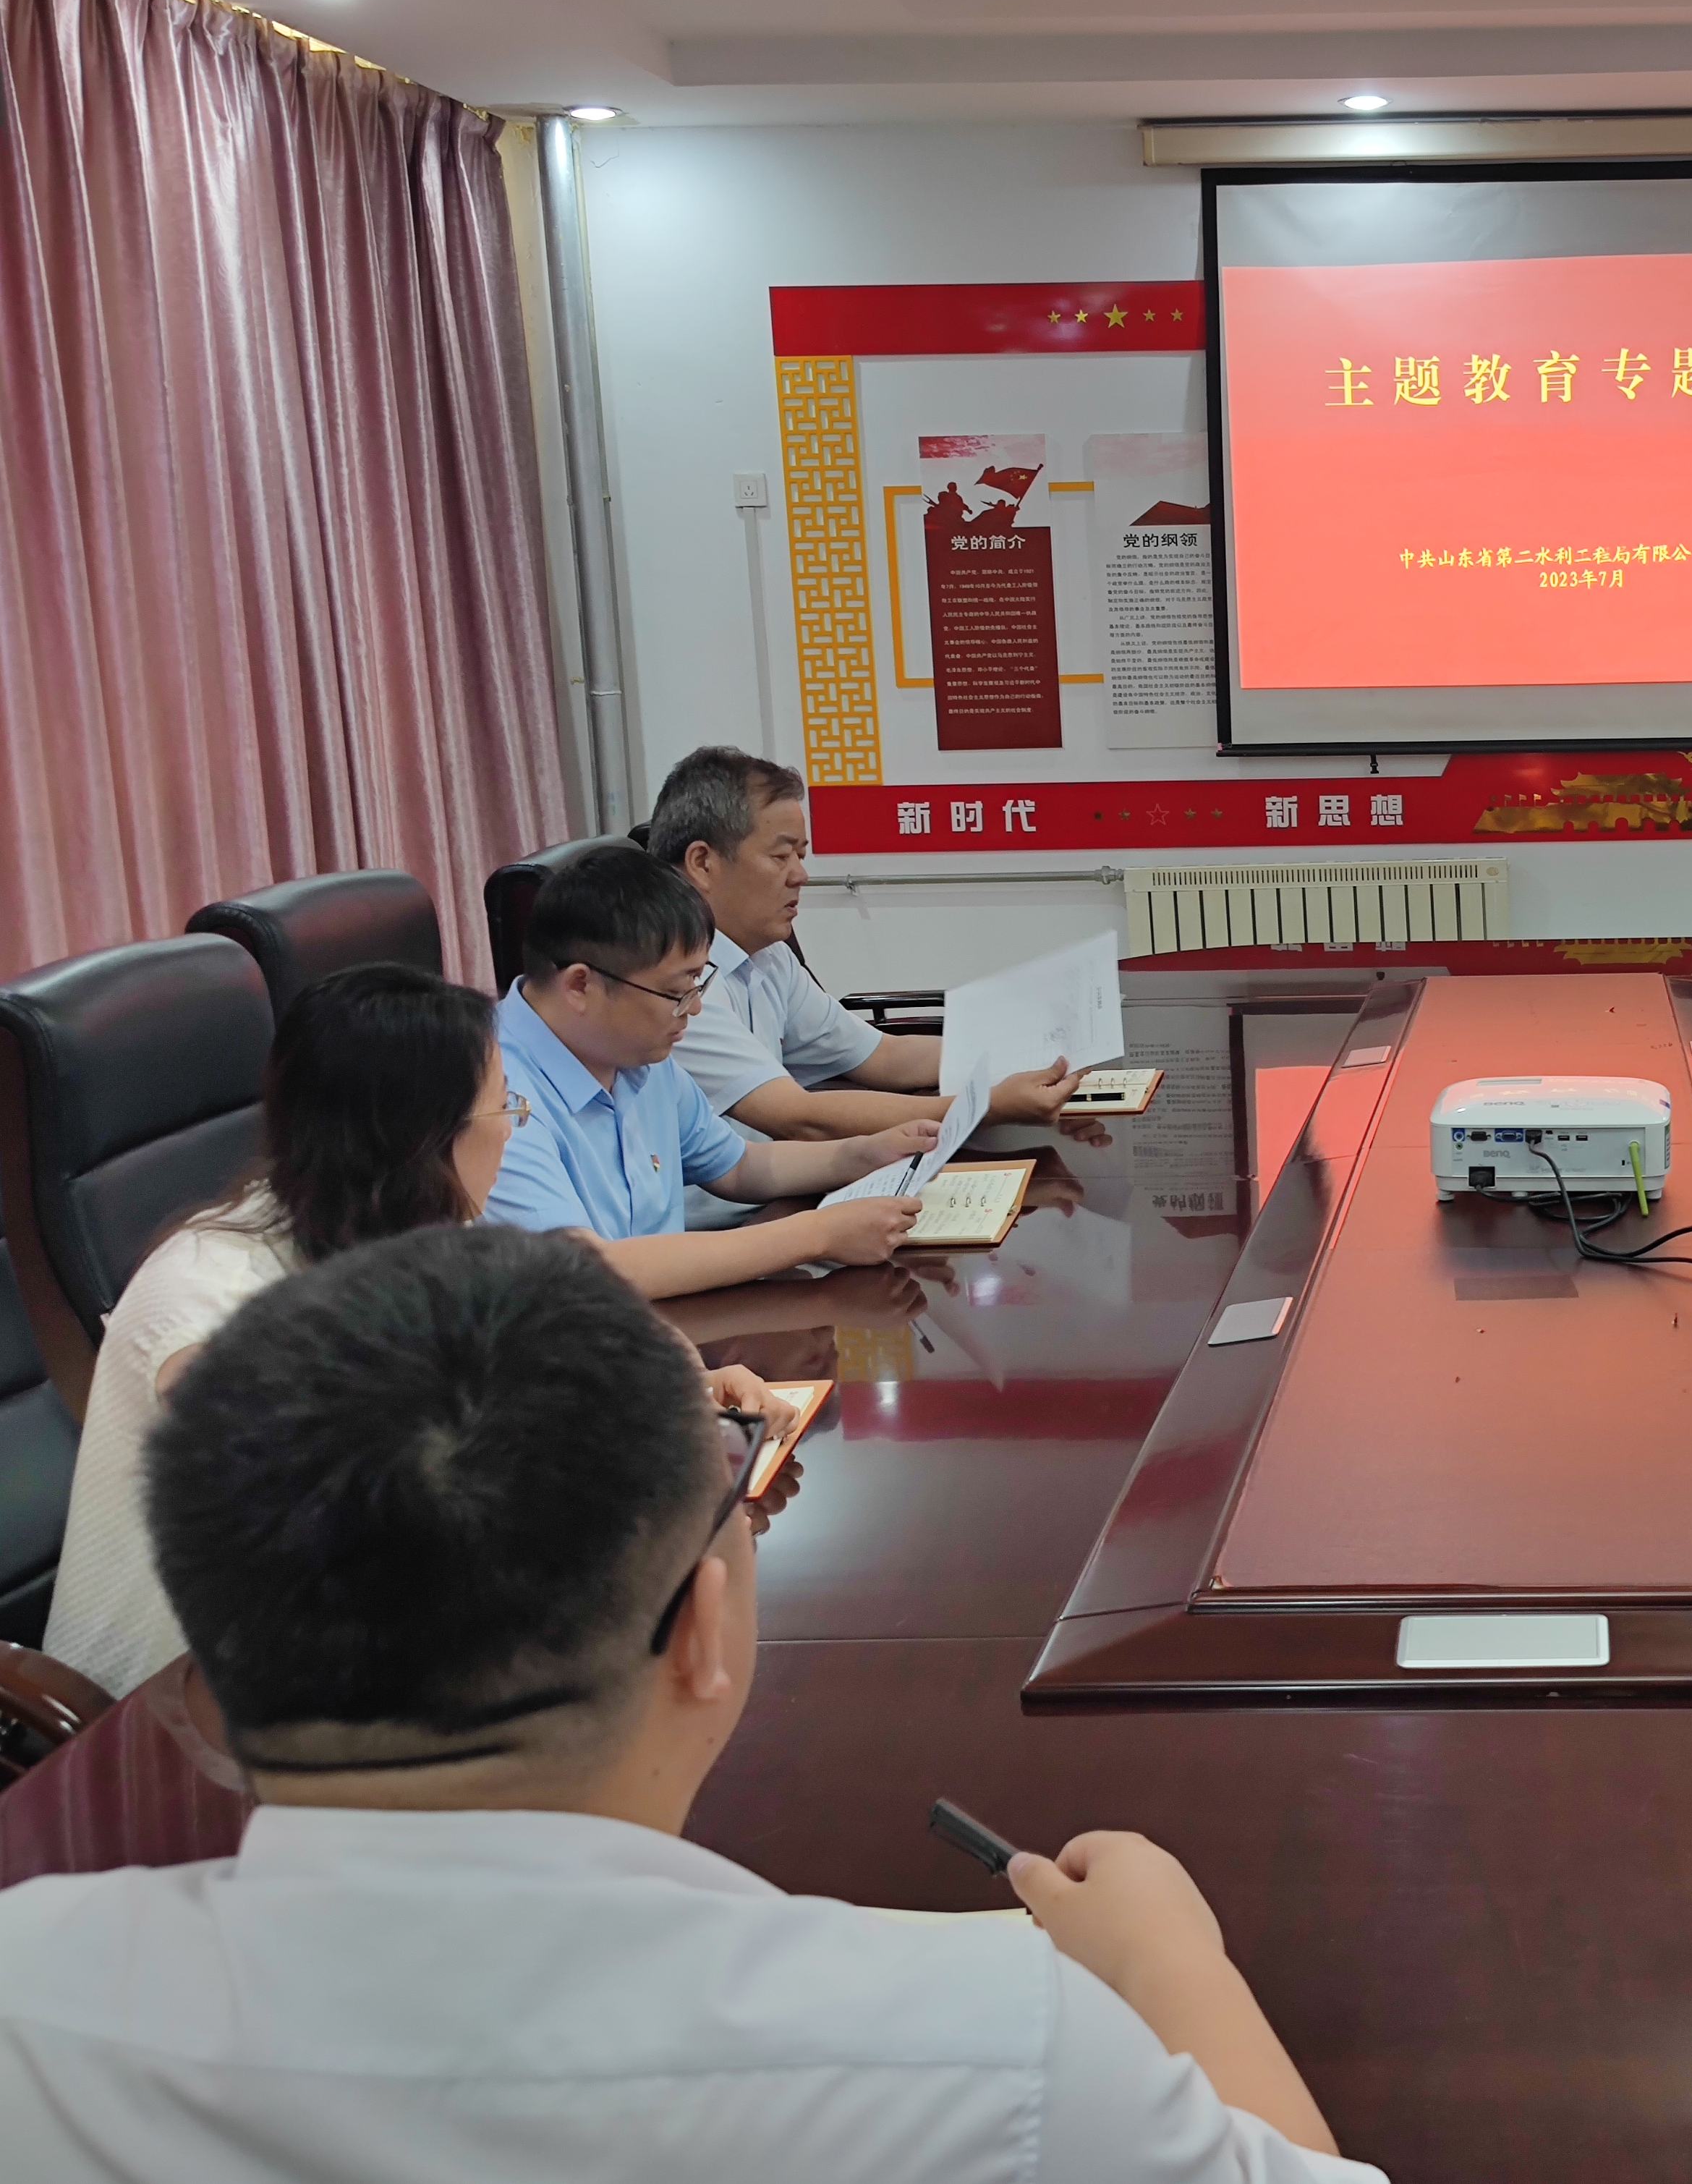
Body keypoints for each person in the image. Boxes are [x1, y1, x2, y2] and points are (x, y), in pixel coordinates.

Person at [0, 1225, 1378, 2183]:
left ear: (210, 1674)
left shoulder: (29, 1996)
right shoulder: (995, 2049)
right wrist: (1166, 1961)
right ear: (701, 1634)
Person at [38, 963, 773, 1698]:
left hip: (357, 1661)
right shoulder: (211, 1293)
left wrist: (679, 1393)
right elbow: (339, 1519)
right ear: (422, 1140)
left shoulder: (409, 1230)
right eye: (506, 1108)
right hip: (175, 1704)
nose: (513, 1132)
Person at [482, 844, 940, 1299]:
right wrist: (818, 1234)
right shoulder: (492, 1094)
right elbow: (584, 1273)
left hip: (665, 1322)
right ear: (581, 985)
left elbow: (737, 1166)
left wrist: (863, 1155)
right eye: (676, 992)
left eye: (697, 984)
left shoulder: (631, 1052)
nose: (695, 1008)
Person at [650, 746, 1077, 1142]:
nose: (801, 876)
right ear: (703, 863)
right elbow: (798, 1117)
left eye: (801, 856)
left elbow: (883, 1056)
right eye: (781, 857)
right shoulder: (670, 983)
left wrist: (1030, 1054)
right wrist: (985, 1107)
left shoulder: (767, 955)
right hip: (729, 1198)